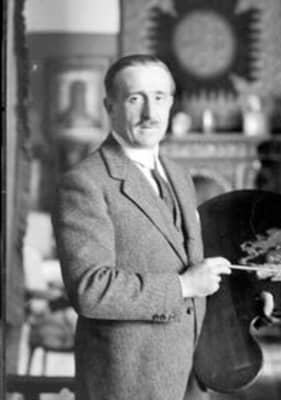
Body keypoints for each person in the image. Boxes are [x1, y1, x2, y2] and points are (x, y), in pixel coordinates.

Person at [52, 54, 232, 400]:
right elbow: (91, 289)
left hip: (190, 379)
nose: (150, 113)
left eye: (159, 97)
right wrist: (182, 286)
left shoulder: (179, 175)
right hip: (128, 383)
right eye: (135, 99)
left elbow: (195, 271)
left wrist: (250, 300)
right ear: (110, 106)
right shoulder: (85, 182)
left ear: (171, 104)